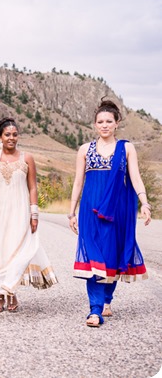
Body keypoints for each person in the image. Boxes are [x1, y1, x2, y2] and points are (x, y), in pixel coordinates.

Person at [68, 99, 151, 327]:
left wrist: (144, 203)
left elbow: (135, 177)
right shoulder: (85, 150)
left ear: (117, 123)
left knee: (112, 258)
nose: (104, 125)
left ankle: (106, 299)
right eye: (100, 122)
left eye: (109, 121)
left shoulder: (126, 148)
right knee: (94, 257)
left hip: (118, 211)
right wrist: (71, 212)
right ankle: (95, 310)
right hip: (90, 210)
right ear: (95, 124)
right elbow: (78, 182)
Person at [0, 118, 58, 313]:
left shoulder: (27, 158)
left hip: (20, 213)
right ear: (0, 137)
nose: (11, 138)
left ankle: (10, 292)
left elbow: (32, 186)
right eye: (7, 134)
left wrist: (34, 214)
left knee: (15, 253)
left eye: (15, 134)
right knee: (0, 252)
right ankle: (1, 295)